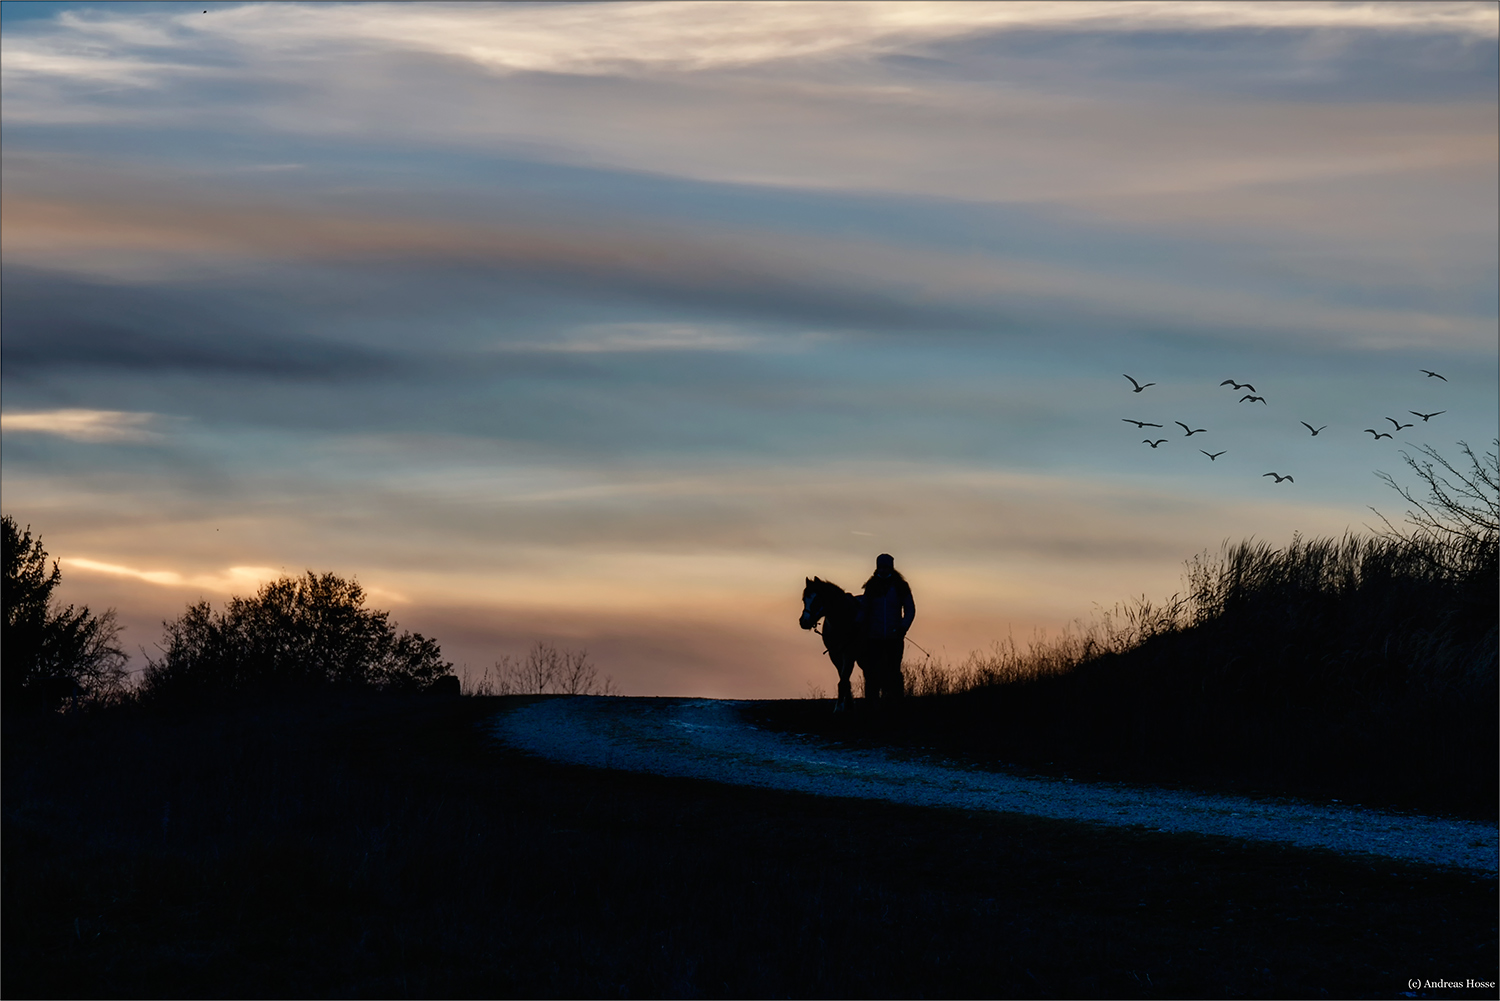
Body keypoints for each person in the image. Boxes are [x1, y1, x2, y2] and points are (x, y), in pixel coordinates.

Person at [858, 553, 915, 700]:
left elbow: (910, 609)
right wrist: (859, 624)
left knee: (894, 672)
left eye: (885, 567)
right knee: (871, 673)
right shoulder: (871, 587)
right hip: (873, 638)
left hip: (894, 637)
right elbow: (864, 609)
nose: (883, 570)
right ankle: (871, 706)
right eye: (880, 567)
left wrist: (903, 627)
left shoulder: (901, 586)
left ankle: (895, 705)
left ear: (891, 568)